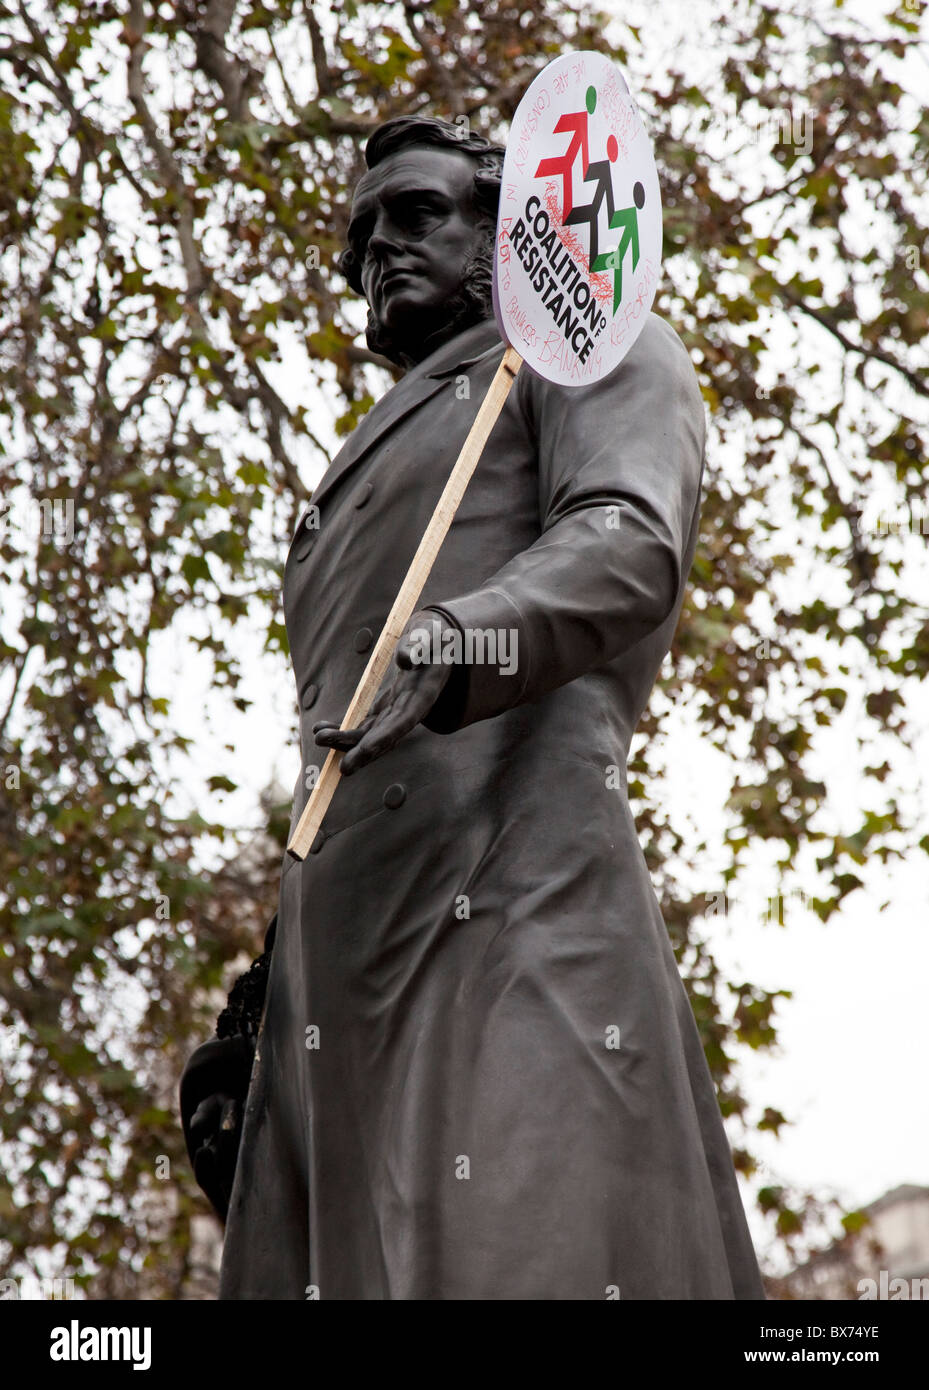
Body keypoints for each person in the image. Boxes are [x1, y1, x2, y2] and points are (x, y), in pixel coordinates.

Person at [181, 114, 765, 1300]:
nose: (374, 252)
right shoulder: (360, 461)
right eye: (357, 239)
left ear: (508, 235)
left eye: (414, 215)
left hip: (507, 900)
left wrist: (459, 638)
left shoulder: (590, 348)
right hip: (341, 962)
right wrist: (262, 1003)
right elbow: (336, 751)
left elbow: (627, 539)